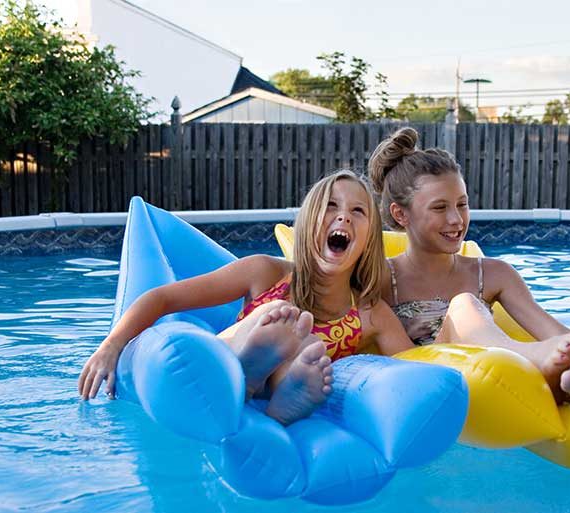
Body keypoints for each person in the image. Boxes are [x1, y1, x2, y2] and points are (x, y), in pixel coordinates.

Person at [78, 170, 415, 425]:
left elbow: (418, 367)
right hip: (222, 360)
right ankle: (248, 366)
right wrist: (111, 345)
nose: (343, 216)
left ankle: (280, 391)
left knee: (304, 351)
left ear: (370, 237)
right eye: (330, 206)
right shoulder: (265, 273)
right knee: (280, 318)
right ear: (309, 221)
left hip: (282, 388)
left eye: (358, 211)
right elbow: (162, 298)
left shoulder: (371, 313)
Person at [368, 128, 570, 426]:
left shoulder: (493, 274)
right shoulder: (379, 277)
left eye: (462, 204)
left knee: (558, 370)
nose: (456, 219)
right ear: (401, 215)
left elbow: (555, 333)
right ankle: (538, 362)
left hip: (497, 380)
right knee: (465, 304)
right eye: (440, 208)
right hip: (431, 389)